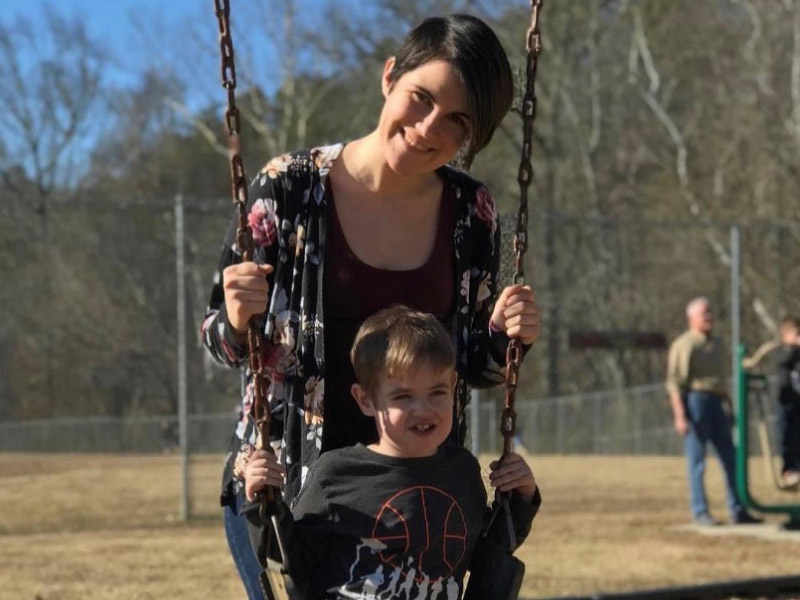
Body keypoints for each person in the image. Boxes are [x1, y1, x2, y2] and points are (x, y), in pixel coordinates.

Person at [201, 14, 542, 599]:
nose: (429, 128)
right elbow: (220, 341)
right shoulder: (288, 188)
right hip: (286, 483)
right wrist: (235, 319)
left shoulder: (470, 211)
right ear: (390, 77)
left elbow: (473, 366)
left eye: (457, 120)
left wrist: (510, 337)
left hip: (413, 490)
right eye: (421, 98)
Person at [243, 306, 541, 600]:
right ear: (366, 400)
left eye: (436, 392)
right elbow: (289, 561)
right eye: (402, 396)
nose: (422, 409)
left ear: (453, 387)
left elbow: (488, 554)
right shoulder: (337, 475)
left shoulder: (461, 472)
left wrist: (521, 499)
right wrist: (261, 503)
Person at [665, 297, 762, 526]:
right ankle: (700, 511)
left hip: (717, 402)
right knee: (698, 461)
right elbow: (674, 384)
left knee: (730, 458)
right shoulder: (685, 344)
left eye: (710, 313)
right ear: (692, 319)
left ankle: (738, 509)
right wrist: (680, 416)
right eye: (703, 314)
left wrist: (729, 405)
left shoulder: (717, 343)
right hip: (696, 402)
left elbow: (719, 380)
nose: (709, 318)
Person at [775, 318, 800, 488]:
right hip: (785, 402)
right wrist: (793, 347)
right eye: (797, 334)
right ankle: (789, 469)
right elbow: (782, 360)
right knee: (787, 437)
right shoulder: (781, 351)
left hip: (797, 402)